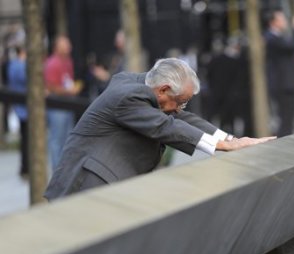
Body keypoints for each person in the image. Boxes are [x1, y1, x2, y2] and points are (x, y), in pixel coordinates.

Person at [44, 58, 275, 201]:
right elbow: (166, 126)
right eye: (181, 101)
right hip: (86, 187)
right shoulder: (129, 96)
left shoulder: (141, 85)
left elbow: (181, 117)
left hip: (101, 186)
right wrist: (224, 146)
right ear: (163, 89)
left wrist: (233, 139)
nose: (181, 108)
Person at [44, 35, 83, 170]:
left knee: (67, 138)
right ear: (57, 47)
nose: (69, 47)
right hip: (57, 107)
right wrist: (69, 91)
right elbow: (50, 86)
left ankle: (65, 168)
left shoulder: (67, 61)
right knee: (57, 139)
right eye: (65, 44)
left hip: (67, 104)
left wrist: (72, 89)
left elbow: (66, 81)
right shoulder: (52, 63)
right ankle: (57, 170)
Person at [264, 10, 294, 137]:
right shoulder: (271, 38)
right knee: (286, 118)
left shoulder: (278, 37)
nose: (285, 21)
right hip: (282, 85)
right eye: (282, 19)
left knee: (290, 117)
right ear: (273, 22)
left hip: (287, 83)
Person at [7, 45, 28, 178]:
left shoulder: (11, 65)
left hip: (18, 106)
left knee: (24, 138)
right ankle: (26, 167)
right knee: (27, 139)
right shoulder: (21, 66)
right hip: (26, 107)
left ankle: (24, 166)